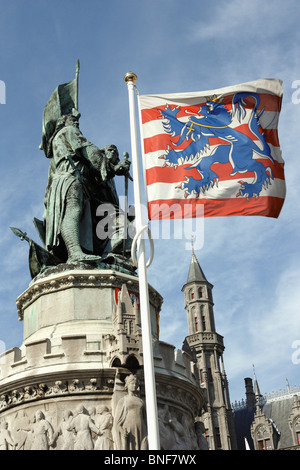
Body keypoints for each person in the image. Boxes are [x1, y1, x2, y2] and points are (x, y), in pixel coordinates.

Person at [42, 110, 131, 263]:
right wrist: (113, 168)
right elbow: (89, 150)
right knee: (73, 212)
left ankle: (77, 252)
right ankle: (75, 253)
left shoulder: (60, 140)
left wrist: (112, 169)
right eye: (71, 119)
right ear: (63, 123)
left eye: (76, 121)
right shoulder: (68, 131)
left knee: (75, 213)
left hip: (71, 179)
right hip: (69, 177)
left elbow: (91, 171)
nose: (76, 122)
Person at [113, 375, 148, 450]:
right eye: (132, 383)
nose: (134, 386)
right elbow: (117, 421)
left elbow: (145, 417)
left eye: (136, 384)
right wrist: (121, 431)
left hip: (141, 428)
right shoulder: (123, 400)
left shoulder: (141, 401)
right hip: (129, 428)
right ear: (127, 385)